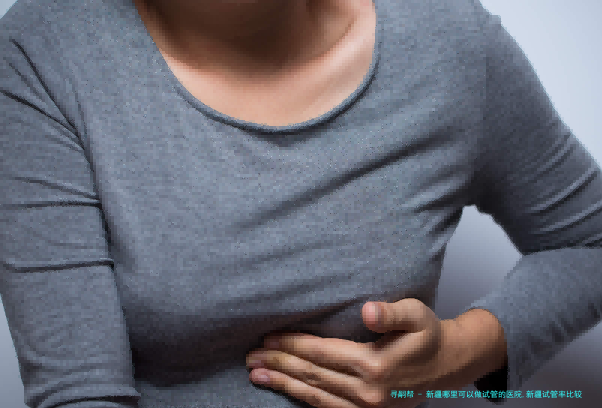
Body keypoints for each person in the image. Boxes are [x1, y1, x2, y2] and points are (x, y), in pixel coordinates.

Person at [1, 0, 601, 407]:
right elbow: (81, 393)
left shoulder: (449, 41)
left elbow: (590, 242)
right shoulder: (45, 52)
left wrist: (463, 352)